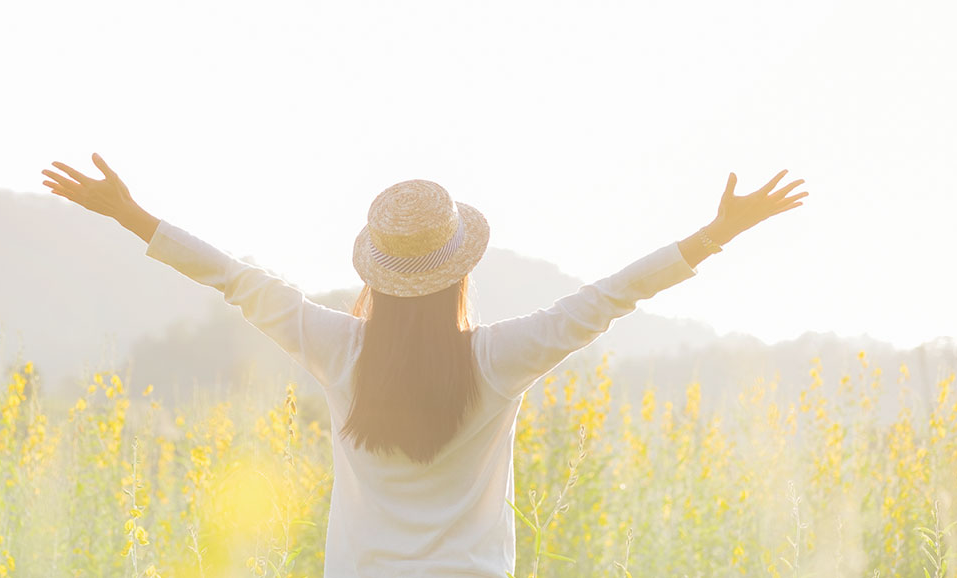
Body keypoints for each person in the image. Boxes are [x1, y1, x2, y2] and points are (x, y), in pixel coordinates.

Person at [41, 154, 808, 577]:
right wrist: (714, 235)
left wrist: (131, 214)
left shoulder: (336, 347)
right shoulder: (500, 357)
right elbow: (607, 298)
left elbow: (236, 281)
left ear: (374, 275)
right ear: (460, 272)